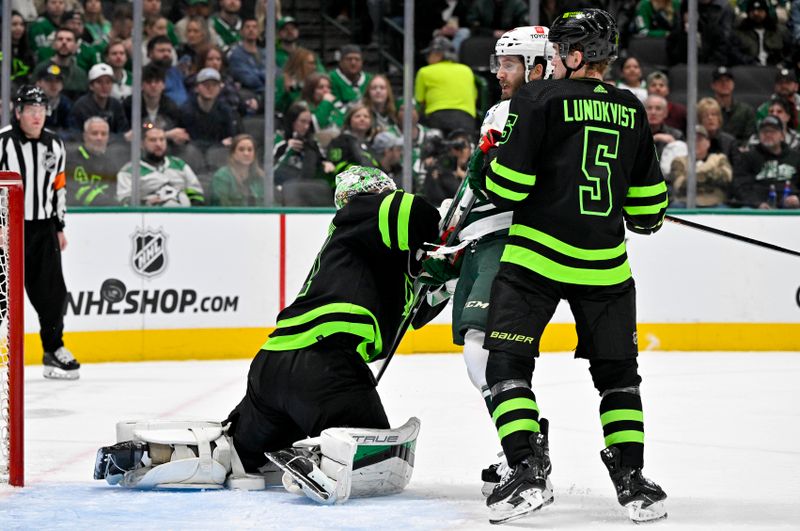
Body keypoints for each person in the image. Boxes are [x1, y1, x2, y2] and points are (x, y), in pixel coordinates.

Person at [471, 9, 668, 524]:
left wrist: (488, 163)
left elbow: (507, 188)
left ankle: (527, 470)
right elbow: (648, 215)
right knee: (619, 378)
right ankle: (633, 481)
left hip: (535, 260)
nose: (552, 62)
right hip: (605, 268)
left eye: (557, 53)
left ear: (576, 56)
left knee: (506, 367)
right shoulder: (632, 108)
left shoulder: (536, 98)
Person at [225, 165, 440, 474]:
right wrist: (444, 236)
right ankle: (324, 464)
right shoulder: (367, 211)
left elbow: (417, 311)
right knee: (377, 463)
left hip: (270, 369)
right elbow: (413, 210)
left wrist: (437, 271)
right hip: (324, 368)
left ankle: (210, 453)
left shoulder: (362, 247)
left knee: (237, 458)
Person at [432, 25, 554, 493]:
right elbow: (473, 186)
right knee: (487, 353)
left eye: (510, 64)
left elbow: (497, 185)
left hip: (503, 241)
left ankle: (523, 453)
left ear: (537, 65)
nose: (500, 73)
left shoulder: (521, 110)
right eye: (499, 64)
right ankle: (522, 448)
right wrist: (451, 235)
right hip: (483, 240)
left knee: (483, 349)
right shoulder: (509, 109)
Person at [0, 86, 80, 380]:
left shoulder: (54, 145)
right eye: (31, 110)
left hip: (42, 228)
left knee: (53, 295)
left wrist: (59, 227)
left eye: (41, 110)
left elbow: (58, 188)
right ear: (18, 112)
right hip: (6, 229)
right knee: (1, 295)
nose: (37, 116)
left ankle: (53, 349)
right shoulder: (2, 143)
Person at [117, 124, 205, 206]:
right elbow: (124, 201)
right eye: (153, 140)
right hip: (149, 218)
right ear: (141, 144)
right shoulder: (129, 171)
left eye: (162, 139)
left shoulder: (179, 165)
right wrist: (146, 203)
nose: (158, 144)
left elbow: (197, 193)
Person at [732, 115, 800, 208]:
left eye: (772, 131)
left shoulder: (796, 158)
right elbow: (741, 187)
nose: (768, 134)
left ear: (782, 135)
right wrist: (757, 203)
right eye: (764, 131)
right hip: (757, 209)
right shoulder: (748, 158)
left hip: (793, 209)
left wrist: (798, 199)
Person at [414, 36, 477, 136]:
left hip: (437, 117)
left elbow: (419, 100)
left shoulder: (424, 72)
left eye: (429, 54)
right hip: (465, 118)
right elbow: (474, 97)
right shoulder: (467, 70)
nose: (427, 58)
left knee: (437, 149)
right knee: (464, 149)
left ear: (437, 54)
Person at [668, 125, 733, 207]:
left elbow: (726, 178)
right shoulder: (679, 161)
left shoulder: (719, 158)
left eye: (699, 140)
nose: (695, 143)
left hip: (715, 203)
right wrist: (708, 170)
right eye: (692, 140)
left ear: (708, 143)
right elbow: (679, 185)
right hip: (685, 203)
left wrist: (694, 175)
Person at [66, 117, 121, 206]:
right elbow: (77, 192)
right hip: (74, 214)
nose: (99, 138)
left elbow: (111, 192)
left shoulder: (110, 165)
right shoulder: (70, 160)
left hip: (101, 214)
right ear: (85, 136)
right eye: (94, 133)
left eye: (104, 134)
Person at [178, 67, 238, 149]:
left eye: (214, 85)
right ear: (197, 87)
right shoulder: (186, 110)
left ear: (220, 88)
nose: (210, 88)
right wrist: (219, 144)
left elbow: (230, 137)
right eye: (206, 85)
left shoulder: (225, 110)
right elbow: (188, 141)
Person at [68, 62, 130, 137]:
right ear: (91, 86)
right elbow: (76, 134)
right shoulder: (81, 106)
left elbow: (123, 131)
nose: (104, 86)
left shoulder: (115, 104)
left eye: (108, 82)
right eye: (99, 82)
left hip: (114, 146)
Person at [31, 27, 88, 101]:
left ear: (75, 46)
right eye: (60, 39)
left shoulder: (80, 74)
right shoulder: (41, 69)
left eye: (69, 40)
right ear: (54, 44)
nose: (64, 42)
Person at [326, 103, 381, 174]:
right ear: (349, 120)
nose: (362, 119)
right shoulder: (339, 141)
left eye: (366, 116)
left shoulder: (371, 144)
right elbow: (336, 165)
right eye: (357, 116)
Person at [211, 134, 265, 206]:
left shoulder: (261, 177)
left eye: (250, 150)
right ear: (233, 153)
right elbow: (223, 207)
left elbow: (272, 205)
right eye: (241, 149)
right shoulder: (221, 177)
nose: (246, 153)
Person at [734, 0, 791, 66]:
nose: (756, 13)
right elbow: (735, 53)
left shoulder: (780, 31)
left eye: (760, 10)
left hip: (775, 70)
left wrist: (783, 65)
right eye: (752, 11)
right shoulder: (739, 32)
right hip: (748, 71)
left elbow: (790, 53)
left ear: (766, 12)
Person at [711, 66, 756, 143]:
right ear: (713, 85)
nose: (724, 84)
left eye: (727, 80)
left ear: (733, 84)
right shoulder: (707, 110)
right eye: (720, 81)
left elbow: (750, 138)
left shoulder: (746, 111)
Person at [228, 18, 266, 95]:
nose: (251, 30)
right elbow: (249, 80)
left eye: (254, 27)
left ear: (259, 32)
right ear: (241, 32)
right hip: (248, 94)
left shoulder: (265, 53)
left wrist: (257, 73)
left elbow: (274, 74)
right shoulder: (236, 55)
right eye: (247, 27)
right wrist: (264, 77)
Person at [147, 36, 188, 107]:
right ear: (150, 53)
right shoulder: (146, 74)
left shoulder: (176, 72)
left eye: (169, 51)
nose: (166, 54)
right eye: (161, 51)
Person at [36, 63, 72, 134]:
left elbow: (70, 130)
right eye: (49, 80)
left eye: (57, 81)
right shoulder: (30, 103)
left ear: (62, 85)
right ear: (38, 83)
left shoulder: (66, 104)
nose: (53, 85)